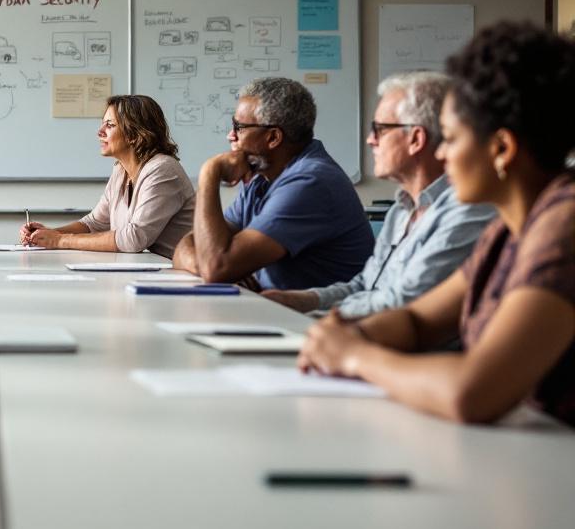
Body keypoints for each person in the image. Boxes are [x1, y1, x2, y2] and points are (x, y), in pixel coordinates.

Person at [299, 21, 575, 425]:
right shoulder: (507, 228)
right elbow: (417, 320)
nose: (441, 155)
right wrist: (351, 335)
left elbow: (472, 393)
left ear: (501, 149)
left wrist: (356, 355)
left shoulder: (563, 225)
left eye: (450, 138)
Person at [264, 73, 494, 317]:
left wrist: (320, 317)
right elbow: (365, 285)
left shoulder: (467, 210)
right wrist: (300, 300)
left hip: (407, 351)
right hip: (367, 336)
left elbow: (404, 303)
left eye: (380, 129)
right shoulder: (401, 210)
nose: (370, 140)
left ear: (416, 139)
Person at [173, 77, 373, 289]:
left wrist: (209, 173)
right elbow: (189, 246)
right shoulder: (261, 178)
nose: (230, 135)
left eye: (238, 127)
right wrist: (204, 263)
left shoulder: (309, 183)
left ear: (273, 138)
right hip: (279, 312)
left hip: (319, 317)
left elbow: (215, 267)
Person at [20, 94, 195, 256]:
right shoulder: (121, 170)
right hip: (156, 270)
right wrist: (48, 234)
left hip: (185, 275)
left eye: (110, 125)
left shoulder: (163, 169)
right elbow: (94, 223)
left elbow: (134, 238)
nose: (100, 131)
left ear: (134, 134)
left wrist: (59, 240)